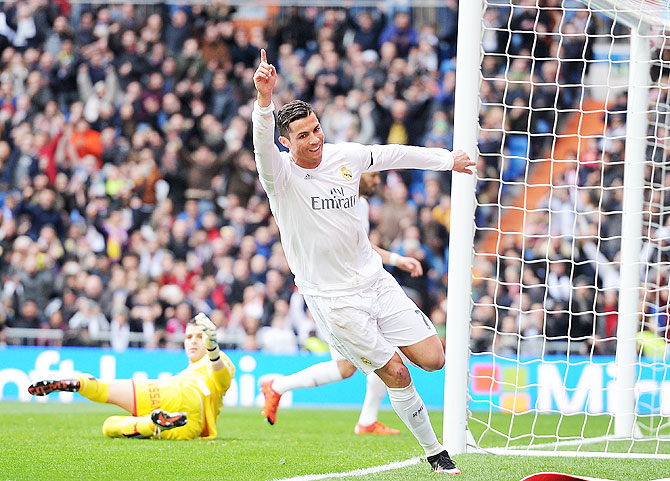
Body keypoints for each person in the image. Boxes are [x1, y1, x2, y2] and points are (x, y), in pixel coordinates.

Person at [252, 49, 474, 474]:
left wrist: (447, 160)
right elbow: (262, 144)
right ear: (286, 142)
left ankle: (364, 397)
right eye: (302, 136)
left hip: (376, 281)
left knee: (433, 358)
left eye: (315, 129)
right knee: (394, 372)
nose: (314, 139)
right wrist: (264, 100)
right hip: (335, 299)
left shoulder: (345, 157)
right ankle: (435, 454)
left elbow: (392, 155)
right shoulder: (279, 177)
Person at [261, 171, 424, 435]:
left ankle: (367, 420)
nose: (376, 181)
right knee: (352, 365)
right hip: (332, 296)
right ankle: (277, 387)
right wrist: (394, 259)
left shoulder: (361, 204)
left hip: (357, 293)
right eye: (371, 175)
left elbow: (362, 247)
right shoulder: (334, 201)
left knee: (379, 355)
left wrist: (395, 259)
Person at [28, 314, 234, 440]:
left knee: (103, 388)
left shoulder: (214, 360)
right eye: (189, 337)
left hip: (183, 395)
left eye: (200, 337)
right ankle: (154, 423)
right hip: (187, 424)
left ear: (209, 338)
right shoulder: (188, 372)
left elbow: (223, 380)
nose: (194, 342)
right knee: (109, 427)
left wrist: (213, 349)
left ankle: (79, 381)